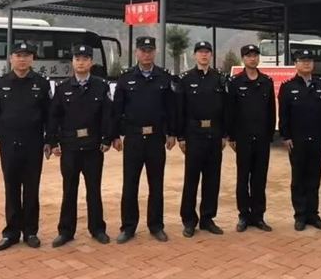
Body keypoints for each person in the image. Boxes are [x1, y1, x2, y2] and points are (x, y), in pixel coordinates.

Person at [0, 42, 51, 251]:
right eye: (18, 55)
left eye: (26, 55)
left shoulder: (41, 83)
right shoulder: (0, 83)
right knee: (11, 188)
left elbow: (49, 116)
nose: (22, 59)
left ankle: (30, 232)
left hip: (33, 144)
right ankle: (11, 233)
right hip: (8, 144)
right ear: (11, 58)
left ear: (32, 59)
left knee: (31, 189)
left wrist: (50, 140)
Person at [111, 36, 177, 244]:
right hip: (133, 138)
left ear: (155, 52)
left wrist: (172, 133)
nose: (146, 54)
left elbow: (171, 108)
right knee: (130, 184)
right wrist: (115, 135)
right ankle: (128, 227)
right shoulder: (126, 78)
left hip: (156, 138)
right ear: (136, 52)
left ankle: (156, 226)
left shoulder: (164, 77)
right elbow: (117, 109)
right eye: (143, 50)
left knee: (156, 184)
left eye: (150, 50)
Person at [48, 44, 112, 247]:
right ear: (72, 62)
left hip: (93, 147)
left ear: (91, 62)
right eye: (77, 59)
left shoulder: (101, 86)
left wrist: (106, 139)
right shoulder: (62, 88)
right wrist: (52, 141)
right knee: (69, 190)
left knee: (94, 190)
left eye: (85, 59)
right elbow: (54, 117)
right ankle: (66, 231)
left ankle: (97, 229)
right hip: (70, 147)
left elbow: (107, 116)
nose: (81, 62)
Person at [278, 49, 321, 231]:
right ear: (295, 64)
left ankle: (313, 215)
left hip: (317, 140)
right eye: (302, 60)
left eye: (309, 60)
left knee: (314, 178)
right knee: (298, 179)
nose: (306, 63)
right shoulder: (288, 87)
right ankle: (300, 215)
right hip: (297, 141)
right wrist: (286, 136)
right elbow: (284, 115)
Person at [177, 41, 228, 238]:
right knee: (191, 179)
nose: (204, 55)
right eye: (200, 52)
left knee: (212, 179)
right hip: (193, 135)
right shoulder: (186, 79)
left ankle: (207, 218)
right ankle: (189, 220)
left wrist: (224, 134)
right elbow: (180, 110)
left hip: (214, 134)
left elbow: (226, 109)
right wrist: (181, 136)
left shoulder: (220, 78)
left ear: (211, 55)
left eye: (207, 52)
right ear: (194, 55)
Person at [228, 44, 275, 232]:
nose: (252, 58)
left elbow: (271, 111)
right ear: (243, 59)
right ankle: (243, 215)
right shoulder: (235, 82)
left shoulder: (266, 82)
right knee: (242, 178)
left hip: (262, 138)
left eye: (255, 55)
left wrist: (270, 135)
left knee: (259, 178)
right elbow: (231, 111)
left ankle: (258, 216)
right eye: (248, 56)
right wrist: (232, 136)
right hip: (243, 138)